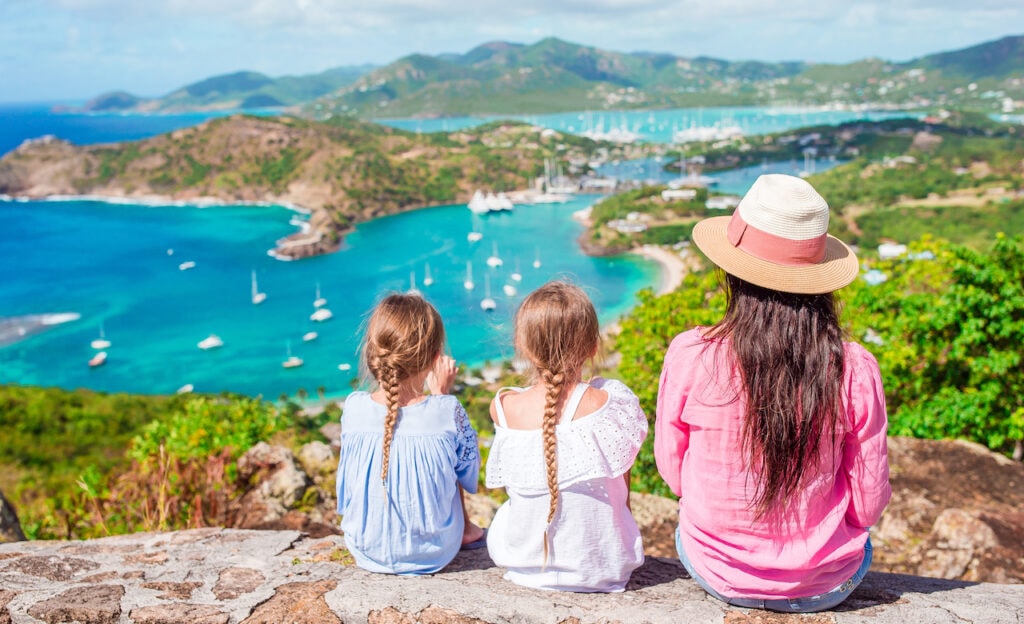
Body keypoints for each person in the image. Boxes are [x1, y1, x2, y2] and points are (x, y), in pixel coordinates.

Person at [655, 174, 891, 612]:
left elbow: (674, 473)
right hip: (825, 584)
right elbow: (868, 503)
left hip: (716, 570)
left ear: (733, 271)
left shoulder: (690, 354)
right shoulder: (854, 367)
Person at [485, 281, 647, 592]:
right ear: (592, 347)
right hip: (604, 569)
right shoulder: (612, 403)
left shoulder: (503, 407)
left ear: (522, 346)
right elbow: (622, 492)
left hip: (523, 567)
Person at [336, 293, 486, 575]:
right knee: (449, 461)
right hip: (433, 554)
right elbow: (468, 475)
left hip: (365, 551)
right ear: (433, 359)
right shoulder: (447, 410)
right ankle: (466, 530)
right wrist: (441, 395)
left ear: (373, 354)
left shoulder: (354, 407)